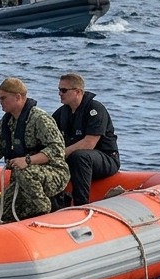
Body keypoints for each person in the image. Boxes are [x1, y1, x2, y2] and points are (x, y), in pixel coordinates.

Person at [0, 77, 70, 222]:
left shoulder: (40, 119)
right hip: (21, 179)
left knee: (24, 171)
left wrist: (28, 160)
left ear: (18, 97)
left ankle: (43, 209)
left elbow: (57, 149)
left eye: (3, 98)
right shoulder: (5, 124)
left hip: (53, 172)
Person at [51, 73, 120, 207]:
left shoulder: (95, 109)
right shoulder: (62, 113)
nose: (60, 93)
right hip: (75, 159)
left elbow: (89, 143)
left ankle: (81, 204)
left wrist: (59, 153)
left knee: (80, 156)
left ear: (78, 92)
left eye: (64, 90)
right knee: (51, 157)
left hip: (106, 158)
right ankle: (56, 204)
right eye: (59, 90)